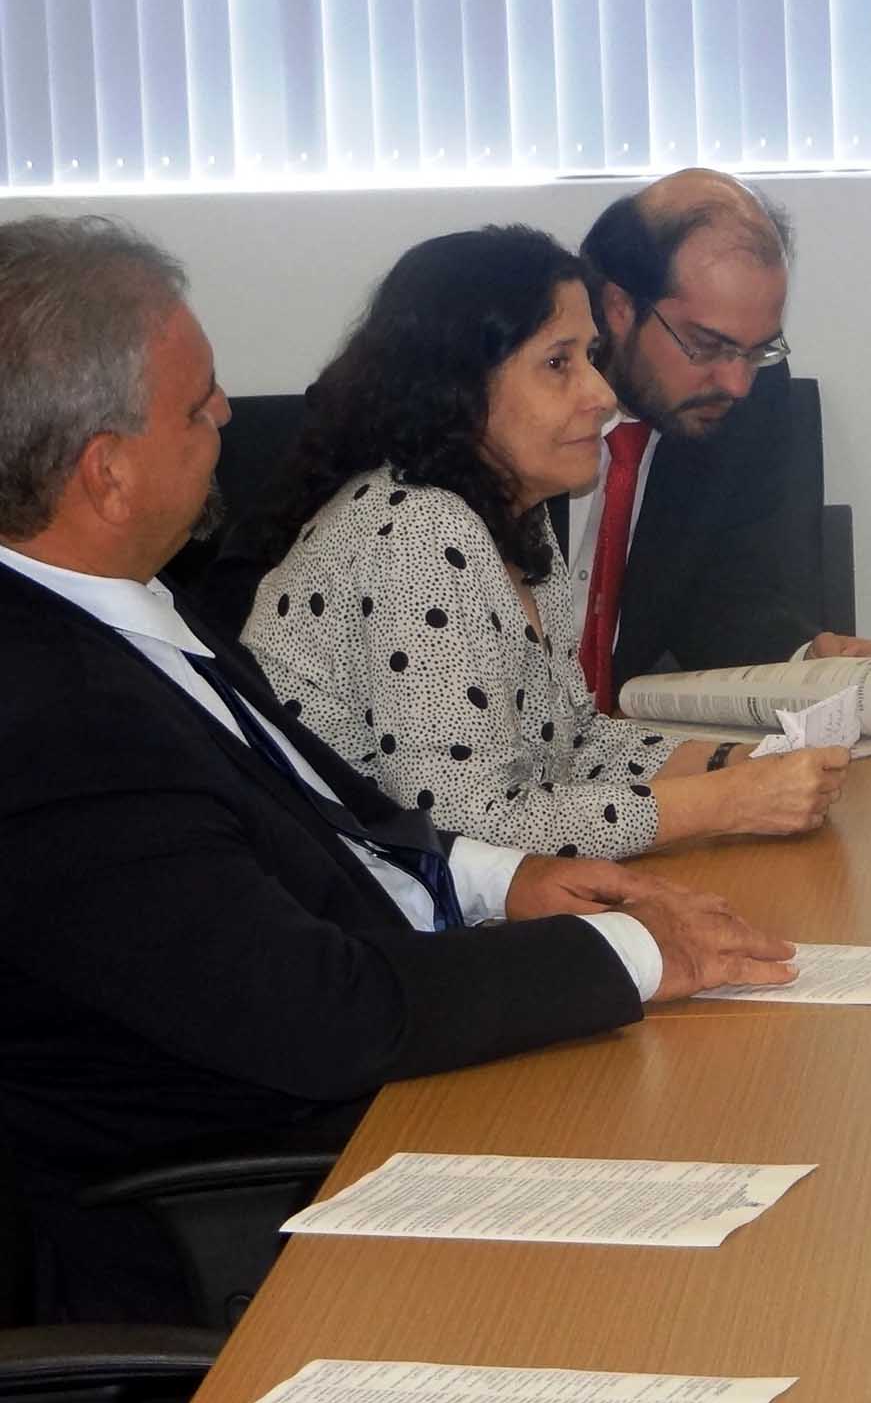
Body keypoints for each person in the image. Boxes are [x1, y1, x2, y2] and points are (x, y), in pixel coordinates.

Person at [0, 216, 796, 1320]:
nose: (230, 416)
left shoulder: (131, 608)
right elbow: (316, 1013)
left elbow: (337, 810)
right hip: (245, 1214)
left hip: (371, 1087)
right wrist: (625, 953)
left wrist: (495, 879)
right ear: (105, 473)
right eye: (197, 406)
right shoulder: (53, 716)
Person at [243, 225, 849, 861]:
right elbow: (460, 822)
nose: (601, 393)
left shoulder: (514, 517)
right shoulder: (415, 533)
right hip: (359, 906)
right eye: (559, 364)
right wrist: (726, 802)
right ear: (459, 383)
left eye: (591, 356)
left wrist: (735, 762)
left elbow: (573, 744)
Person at [575, 168, 871, 709]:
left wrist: (802, 663)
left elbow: (725, 598)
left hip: (621, 755)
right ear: (618, 310)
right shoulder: (508, 411)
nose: (736, 382)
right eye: (706, 345)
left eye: (758, 349)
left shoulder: (753, 398)